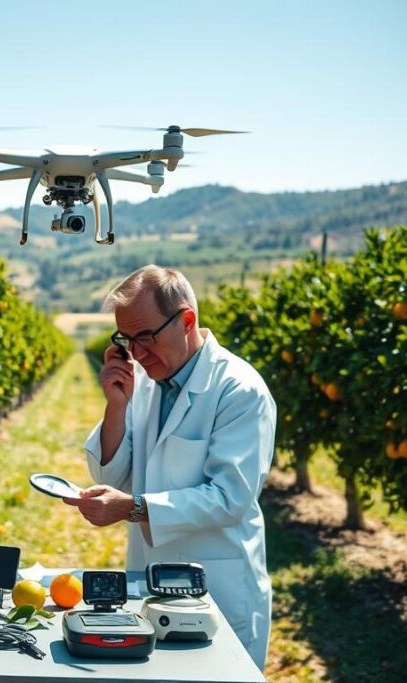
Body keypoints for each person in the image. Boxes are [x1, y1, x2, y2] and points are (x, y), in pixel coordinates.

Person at [65, 265, 276, 669]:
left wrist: (133, 508)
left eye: (145, 337)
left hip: (218, 588)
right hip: (150, 581)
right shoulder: (145, 383)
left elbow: (229, 497)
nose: (138, 354)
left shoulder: (239, 390)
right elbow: (110, 474)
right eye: (127, 341)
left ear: (187, 321)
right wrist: (116, 405)